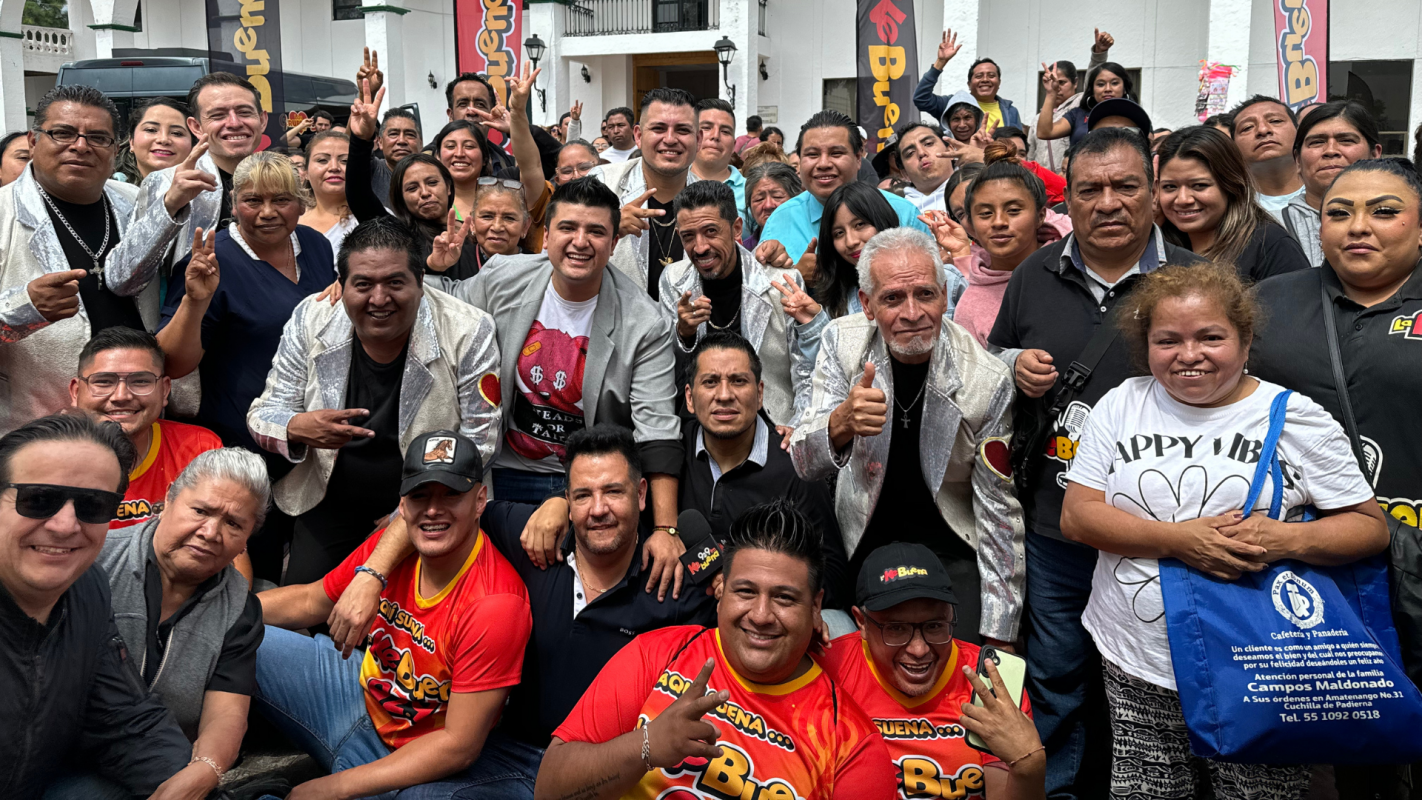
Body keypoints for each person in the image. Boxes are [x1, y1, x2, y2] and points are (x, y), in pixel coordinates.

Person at [1060, 262, 1387, 799]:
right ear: (1146, 346)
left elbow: (1369, 528)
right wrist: (1180, 540)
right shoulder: (1122, 403)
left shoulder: (1294, 417)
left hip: (1262, 660)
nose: (1189, 355)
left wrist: (1284, 539)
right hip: (1139, 657)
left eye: (1210, 337)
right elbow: (1078, 515)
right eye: (1168, 340)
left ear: (1245, 338)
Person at [986, 127, 1208, 799]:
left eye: (1125, 186)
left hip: (1164, 533)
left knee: (1158, 686)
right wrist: (1012, 365)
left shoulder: (1196, 281)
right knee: (1056, 676)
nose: (1108, 203)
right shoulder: (1033, 274)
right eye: (1090, 190)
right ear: (1069, 200)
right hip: (1057, 526)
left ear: (1153, 192)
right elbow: (992, 359)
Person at [336, 424, 719, 792]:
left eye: (613, 492)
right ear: (568, 502)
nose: (598, 509)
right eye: (582, 496)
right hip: (505, 754)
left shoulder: (675, 584)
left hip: (605, 771)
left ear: (641, 494)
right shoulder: (530, 537)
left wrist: (718, 573)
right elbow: (433, 514)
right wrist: (372, 575)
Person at [1249, 156, 1422, 799]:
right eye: (1339, 213)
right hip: (1317, 561)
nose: (1358, 226)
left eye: (1385, 211)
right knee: (1345, 735)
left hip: (1417, 557)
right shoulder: (1270, 303)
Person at [534, 500, 898, 800]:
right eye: (745, 592)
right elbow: (549, 789)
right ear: (721, 591)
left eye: (784, 598)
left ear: (816, 607)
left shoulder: (852, 744)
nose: (761, 615)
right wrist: (647, 746)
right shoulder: (661, 652)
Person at [255, 429, 534, 798]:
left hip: (419, 755)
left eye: (451, 494)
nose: (433, 509)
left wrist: (333, 787)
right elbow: (310, 601)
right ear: (402, 505)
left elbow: (458, 745)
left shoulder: (496, 603)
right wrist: (219, 609)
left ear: (480, 500)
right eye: (420, 495)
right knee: (233, 631)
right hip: (353, 695)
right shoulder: (394, 549)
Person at [792, 227, 1024, 649]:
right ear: (867, 304)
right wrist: (841, 422)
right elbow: (804, 462)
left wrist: (1000, 629)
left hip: (951, 543)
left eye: (925, 294)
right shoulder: (842, 343)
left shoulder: (985, 380)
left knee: (963, 660)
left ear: (945, 296)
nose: (912, 312)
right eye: (893, 298)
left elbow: (998, 509)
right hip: (859, 539)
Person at [447, 179, 685, 585]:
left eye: (596, 231)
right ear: (545, 236)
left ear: (614, 243)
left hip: (589, 481)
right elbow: (445, 307)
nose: (580, 242)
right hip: (502, 467)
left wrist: (666, 529)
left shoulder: (645, 323)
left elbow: (657, 430)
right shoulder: (503, 276)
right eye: (568, 228)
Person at [245, 217, 500, 584]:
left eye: (395, 283)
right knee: (305, 604)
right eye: (363, 284)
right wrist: (297, 427)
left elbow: (481, 439)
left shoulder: (469, 329)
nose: (379, 299)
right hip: (329, 501)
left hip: (434, 505)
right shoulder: (312, 316)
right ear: (342, 284)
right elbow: (263, 413)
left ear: (420, 282)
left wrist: (412, 509)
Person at [0, 414, 191, 798]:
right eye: (39, 499)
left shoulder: (88, 589)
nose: (65, 525)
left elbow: (123, 719)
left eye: (93, 505)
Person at [68, 447, 268, 800]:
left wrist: (206, 769)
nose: (211, 532)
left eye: (234, 524)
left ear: (247, 539)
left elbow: (226, 713)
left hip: (157, 763)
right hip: (63, 753)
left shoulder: (239, 608)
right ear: (169, 497)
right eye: (200, 511)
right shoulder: (94, 561)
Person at [821, 543, 1047, 799]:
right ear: (861, 623)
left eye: (934, 626)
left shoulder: (988, 680)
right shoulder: (830, 668)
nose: (919, 649)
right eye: (896, 629)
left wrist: (1028, 767)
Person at [156, 151, 336, 462]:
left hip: (315, 431)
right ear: (234, 204)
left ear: (301, 202)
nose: (267, 212)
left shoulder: (315, 244)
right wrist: (194, 301)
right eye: (253, 200)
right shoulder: (211, 262)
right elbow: (171, 363)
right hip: (242, 440)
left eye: (281, 200)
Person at [0, 85, 159, 435]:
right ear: (33, 141)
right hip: (38, 427)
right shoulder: (3, 213)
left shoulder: (135, 202)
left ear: (115, 150)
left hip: (139, 418)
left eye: (98, 137)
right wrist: (22, 308)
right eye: (63, 133)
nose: (81, 146)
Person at [679, 333, 848, 600]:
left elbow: (833, 575)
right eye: (710, 382)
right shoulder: (672, 454)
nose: (724, 395)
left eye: (738, 381)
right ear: (689, 398)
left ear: (759, 394)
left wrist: (761, 591)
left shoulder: (794, 466)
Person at [659, 180, 825, 426]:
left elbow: (807, 369)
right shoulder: (674, 280)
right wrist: (684, 333)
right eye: (688, 236)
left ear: (736, 228)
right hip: (699, 422)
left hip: (771, 422)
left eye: (711, 231)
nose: (700, 247)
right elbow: (663, 369)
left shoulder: (779, 282)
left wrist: (797, 427)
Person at [123, 71, 269, 294]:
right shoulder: (167, 182)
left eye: (244, 112)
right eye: (218, 115)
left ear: (262, 120)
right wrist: (169, 206)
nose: (234, 123)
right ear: (196, 127)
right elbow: (125, 276)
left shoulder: (277, 179)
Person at [68, 326, 222, 529]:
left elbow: (219, 538)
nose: (121, 396)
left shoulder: (199, 449)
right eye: (103, 382)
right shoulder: (44, 458)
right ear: (76, 392)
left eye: (140, 381)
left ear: (165, 390)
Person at [344, 81, 485, 281]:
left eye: (432, 183)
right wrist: (361, 138)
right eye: (412, 188)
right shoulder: (397, 233)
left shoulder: (473, 231)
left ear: (448, 187)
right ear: (400, 198)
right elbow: (358, 195)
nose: (425, 193)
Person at [756, 110, 931, 270]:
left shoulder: (903, 213)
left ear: (858, 158)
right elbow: (759, 286)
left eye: (836, 153)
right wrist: (796, 275)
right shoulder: (780, 221)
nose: (823, 164)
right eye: (812, 155)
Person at [1156, 126, 1310, 281]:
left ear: (1231, 185)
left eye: (1199, 185)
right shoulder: (1157, 246)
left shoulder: (1270, 245)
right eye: (1170, 187)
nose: (1183, 199)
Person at [590, 88, 699, 300]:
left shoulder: (711, 199)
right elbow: (563, 257)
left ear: (698, 138)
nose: (670, 139)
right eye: (658, 128)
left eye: (682, 130)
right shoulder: (601, 183)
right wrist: (610, 228)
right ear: (638, 136)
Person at [950, 143, 1052, 346]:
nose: (998, 222)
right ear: (972, 225)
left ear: (1040, 216)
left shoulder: (1074, 270)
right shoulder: (969, 308)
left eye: (1013, 210)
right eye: (985, 213)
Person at [1280, 101, 1382, 266]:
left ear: (1375, 154)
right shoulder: (1266, 228)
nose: (1331, 151)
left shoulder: (1405, 220)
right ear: (1298, 160)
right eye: (1317, 142)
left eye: (1346, 140)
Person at [914, 30, 1023, 131]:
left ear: (999, 82)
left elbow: (1018, 141)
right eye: (979, 76)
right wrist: (940, 62)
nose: (985, 79)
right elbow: (921, 99)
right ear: (969, 84)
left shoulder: (1011, 111)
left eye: (991, 75)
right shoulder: (952, 103)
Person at [1229, 95, 1304, 218]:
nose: (1263, 130)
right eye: (1247, 127)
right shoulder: (1230, 210)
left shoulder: (1330, 190)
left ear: (1299, 131)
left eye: (1275, 121)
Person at [1037, 61, 1134, 148]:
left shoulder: (1135, 115)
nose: (1108, 89)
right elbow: (1044, 133)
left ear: (1124, 88)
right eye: (1100, 84)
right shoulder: (1078, 115)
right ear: (1092, 90)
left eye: (1114, 83)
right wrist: (1051, 92)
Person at [443, 71, 516, 173]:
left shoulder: (507, 163)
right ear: (451, 115)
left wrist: (514, 129)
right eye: (463, 104)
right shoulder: (431, 162)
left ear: (491, 113)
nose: (472, 111)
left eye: (480, 105)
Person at [298, 129, 356, 257]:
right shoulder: (290, 219)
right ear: (306, 172)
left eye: (345, 161)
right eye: (322, 160)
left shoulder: (374, 217)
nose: (334, 167)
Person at [690, 98, 746, 225]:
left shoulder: (750, 192)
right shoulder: (673, 184)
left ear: (734, 145)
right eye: (706, 128)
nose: (715, 136)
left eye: (725, 131)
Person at [124, 97, 196, 183]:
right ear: (131, 142)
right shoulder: (113, 187)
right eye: (151, 130)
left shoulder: (206, 188)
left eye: (176, 133)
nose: (164, 139)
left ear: (193, 146)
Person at [741, 160, 802, 249]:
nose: (768, 205)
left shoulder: (812, 242)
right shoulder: (744, 251)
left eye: (777, 196)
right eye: (759, 199)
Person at [370, 106, 422, 206]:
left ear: (420, 144)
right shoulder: (372, 169)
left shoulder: (433, 174)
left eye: (410, 134)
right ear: (380, 142)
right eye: (394, 134)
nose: (402, 141)